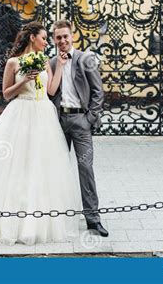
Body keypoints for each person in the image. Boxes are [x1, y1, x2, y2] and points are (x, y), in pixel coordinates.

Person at [0, 22, 82, 245]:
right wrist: (25, 80)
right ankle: (9, 221)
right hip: (20, 113)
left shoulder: (45, 61)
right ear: (32, 38)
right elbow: (6, 94)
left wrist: (58, 66)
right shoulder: (13, 62)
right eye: (44, 38)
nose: (47, 42)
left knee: (41, 165)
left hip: (43, 113)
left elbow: (50, 91)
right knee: (15, 163)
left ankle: (39, 221)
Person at [49, 20, 108, 237]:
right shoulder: (52, 62)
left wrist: (90, 118)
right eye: (58, 37)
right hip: (58, 122)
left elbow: (98, 91)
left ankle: (93, 219)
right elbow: (49, 92)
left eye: (65, 36)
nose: (62, 41)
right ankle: (58, 217)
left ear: (72, 36)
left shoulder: (86, 59)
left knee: (85, 169)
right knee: (57, 169)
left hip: (80, 122)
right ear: (54, 40)